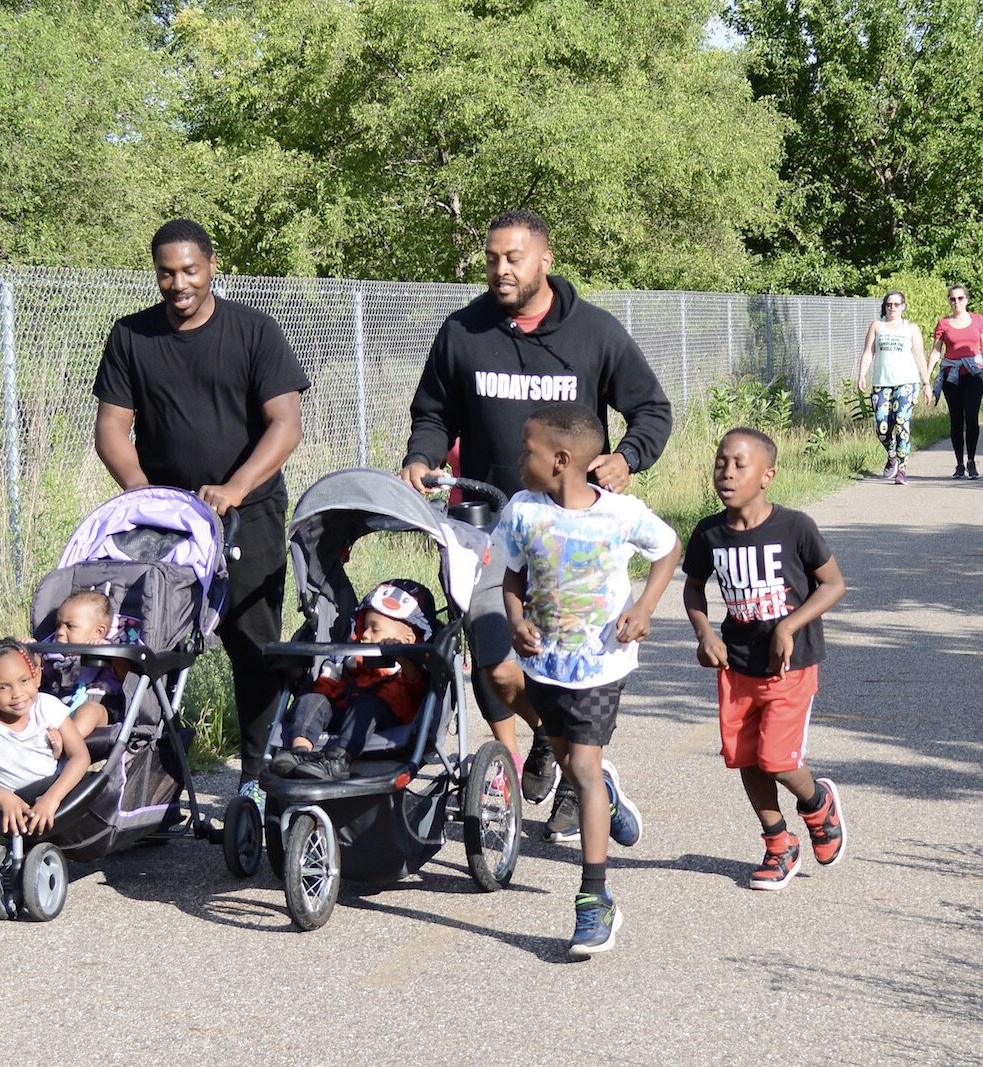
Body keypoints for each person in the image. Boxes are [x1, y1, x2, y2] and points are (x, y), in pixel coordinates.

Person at [398, 210, 673, 820]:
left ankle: (578, 774)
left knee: (570, 671)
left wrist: (627, 458)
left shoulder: (594, 332)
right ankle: (521, 766)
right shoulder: (462, 332)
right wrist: (420, 456)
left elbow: (652, 410)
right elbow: (434, 413)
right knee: (496, 664)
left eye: (513, 258)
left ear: (544, 260)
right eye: (492, 258)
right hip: (484, 525)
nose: (500, 269)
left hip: (570, 536)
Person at [93, 219, 310, 815]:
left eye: (190, 270)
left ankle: (257, 778)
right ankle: (148, 785)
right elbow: (111, 427)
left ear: (212, 266)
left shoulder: (253, 331)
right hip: (168, 524)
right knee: (151, 646)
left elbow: (286, 424)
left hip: (248, 514)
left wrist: (237, 486)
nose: (179, 283)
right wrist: (141, 494)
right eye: (167, 273)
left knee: (253, 645)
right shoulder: (131, 336)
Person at [496, 402, 679, 955]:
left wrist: (644, 608)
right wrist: (516, 621)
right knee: (571, 763)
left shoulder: (620, 513)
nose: (519, 459)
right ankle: (608, 797)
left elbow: (668, 548)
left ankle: (595, 899)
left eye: (526, 451)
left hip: (602, 664)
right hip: (545, 666)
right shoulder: (523, 511)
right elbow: (512, 574)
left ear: (559, 459)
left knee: (581, 766)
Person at [682, 428, 848, 892]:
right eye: (721, 463)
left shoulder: (795, 527)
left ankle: (816, 804)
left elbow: (833, 584)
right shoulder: (709, 533)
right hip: (736, 665)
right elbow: (693, 588)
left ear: (767, 476)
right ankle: (779, 844)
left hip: (788, 666)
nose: (727, 473)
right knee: (747, 758)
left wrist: (788, 626)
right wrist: (704, 633)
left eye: (740, 464)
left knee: (777, 759)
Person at [267, 580, 437, 782]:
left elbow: (416, 688)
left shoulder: (407, 667)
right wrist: (321, 695)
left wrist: (402, 656)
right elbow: (330, 680)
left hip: (384, 722)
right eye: (364, 626)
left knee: (365, 707)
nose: (365, 634)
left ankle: (340, 759)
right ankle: (299, 752)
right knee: (311, 700)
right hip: (341, 709)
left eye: (374, 629)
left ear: (407, 640)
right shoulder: (350, 657)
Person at [0, 638, 91, 836]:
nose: (17, 693)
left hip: (54, 790)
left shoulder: (47, 707)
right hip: (8, 803)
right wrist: (3, 797)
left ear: (36, 677)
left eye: (24, 680)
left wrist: (52, 798)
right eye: (3, 687)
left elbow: (80, 756)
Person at [926, 284, 983, 480]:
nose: (956, 302)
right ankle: (959, 463)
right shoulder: (943, 323)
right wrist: (926, 377)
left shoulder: (978, 320)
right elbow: (936, 351)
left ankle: (972, 460)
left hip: (974, 374)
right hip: (952, 376)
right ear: (949, 301)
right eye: (952, 299)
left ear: (966, 300)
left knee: (972, 417)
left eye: (960, 298)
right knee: (956, 419)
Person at [40, 589, 131, 749]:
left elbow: (126, 676)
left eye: (70, 626)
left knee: (91, 711)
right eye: (58, 625)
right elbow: (37, 675)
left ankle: (66, 742)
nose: (60, 632)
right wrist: (30, 655)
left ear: (98, 632)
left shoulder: (108, 651)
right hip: (61, 705)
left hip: (100, 704)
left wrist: (110, 655)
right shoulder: (54, 656)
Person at [855, 290, 929, 485]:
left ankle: (902, 470)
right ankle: (892, 455)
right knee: (882, 427)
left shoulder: (911, 329)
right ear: (885, 306)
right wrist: (861, 374)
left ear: (903, 306)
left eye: (896, 304)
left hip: (907, 382)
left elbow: (919, 356)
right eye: (889, 304)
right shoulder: (877, 326)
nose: (892, 307)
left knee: (902, 422)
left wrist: (927, 383)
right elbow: (868, 353)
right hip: (882, 383)